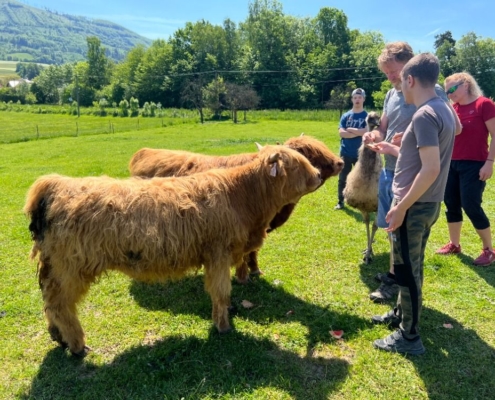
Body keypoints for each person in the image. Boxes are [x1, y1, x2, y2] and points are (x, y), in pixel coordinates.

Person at [371, 52, 456, 355]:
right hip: (428, 202)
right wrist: (400, 147)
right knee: (412, 263)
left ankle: (409, 337)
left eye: (399, 79)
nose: (398, 88)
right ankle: (400, 315)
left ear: (410, 79)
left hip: (414, 204)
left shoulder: (423, 114)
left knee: (406, 270)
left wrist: (401, 206)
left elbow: (430, 168)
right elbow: (443, 142)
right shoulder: (443, 108)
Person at [435, 72, 495, 266]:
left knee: (470, 204)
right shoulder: (453, 109)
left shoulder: (484, 105)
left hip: (475, 164)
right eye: (446, 91)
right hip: (451, 163)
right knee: (451, 203)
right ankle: (454, 244)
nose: (449, 93)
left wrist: (489, 162)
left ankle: (489, 250)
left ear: (466, 84)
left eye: (452, 89)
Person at [335, 88, 368, 210]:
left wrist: (351, 130)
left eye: (359, 97)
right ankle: (340, 201)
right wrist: (359, 132)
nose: (357, 100)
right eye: (355, 97)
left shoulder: (367, 116)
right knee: (343, 178)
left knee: (362, 179)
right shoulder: (346, 115)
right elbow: (342, 133)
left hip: (362, 153)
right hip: (346, 152)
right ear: (352, 99)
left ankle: (361, 201)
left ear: (363, 99)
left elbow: (366, 131)